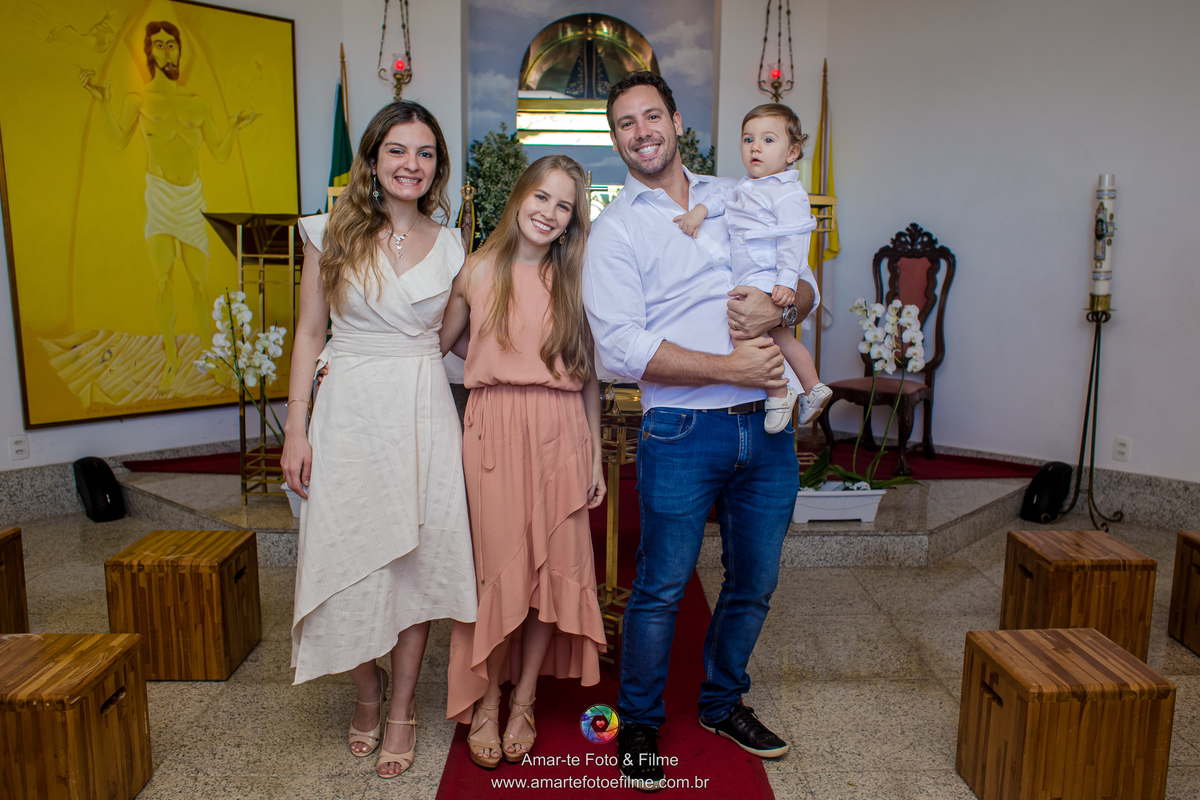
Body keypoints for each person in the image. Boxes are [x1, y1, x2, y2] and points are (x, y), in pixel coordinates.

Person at [583, 72, 818, 790]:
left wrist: (785, 311)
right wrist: (731, 366)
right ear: (616, 138)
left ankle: (721, 702)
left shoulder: (742, 191)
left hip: (768, 428)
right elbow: (618, 348)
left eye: (652, 115)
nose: (642, 131)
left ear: (677, 120)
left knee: (756, 580)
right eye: (626, 123)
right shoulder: (614, 231)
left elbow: (805, 286)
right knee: (660, 585)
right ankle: (641, 722)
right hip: (682, 429)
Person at [281, 101, 477, 779]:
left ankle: (400, 708)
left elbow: (453, 340)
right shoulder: (328, 232)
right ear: (372, 158)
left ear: (436, 167)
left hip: (421, 405)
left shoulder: (454, 246)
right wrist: (295, 427)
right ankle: (365, 690)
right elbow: (310, 333)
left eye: (424, 153)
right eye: (397, 150)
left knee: (414, 562)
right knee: (343, 550)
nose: (410, 165)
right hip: (349, 406)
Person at [442, 155, 608, 769]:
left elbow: (588, 378)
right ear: (518, 198)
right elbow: (436, 343)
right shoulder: (477, 270)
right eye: (541, 197)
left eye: (564, 205)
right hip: (493, 430)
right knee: (499, 571)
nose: (549, 212)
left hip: (561, 430)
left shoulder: (579, 279)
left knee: (549, 572)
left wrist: (590, 454)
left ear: (572, 220)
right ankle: (486, 699)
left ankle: (526, 699)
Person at [80, 21, 255, 392]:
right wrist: (103, 104)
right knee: (163, 280)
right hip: (159, 197)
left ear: (179, 51)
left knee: (198, 283)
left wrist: (235, 130)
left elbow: (220, 155)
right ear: (150, 52)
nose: (167, 51)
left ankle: (212, 357)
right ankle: (172, 361)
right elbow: (116, 142)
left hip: (192, 199)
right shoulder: (138, 100)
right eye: (159, 45)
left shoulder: (198, 104)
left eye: (172, 45)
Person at [674, 103, 831, 433]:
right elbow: (721, 199)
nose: (755, 147)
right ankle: (813, 386)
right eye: (748, 139)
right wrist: (700, 211)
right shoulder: (747, 185)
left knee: (742, 331)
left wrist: (787, 281)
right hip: (754, 273)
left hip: (766, 273)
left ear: (793, 151)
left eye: (768, 140)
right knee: (782, 338)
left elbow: (794, 240)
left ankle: (779, 392)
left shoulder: (787, 194)